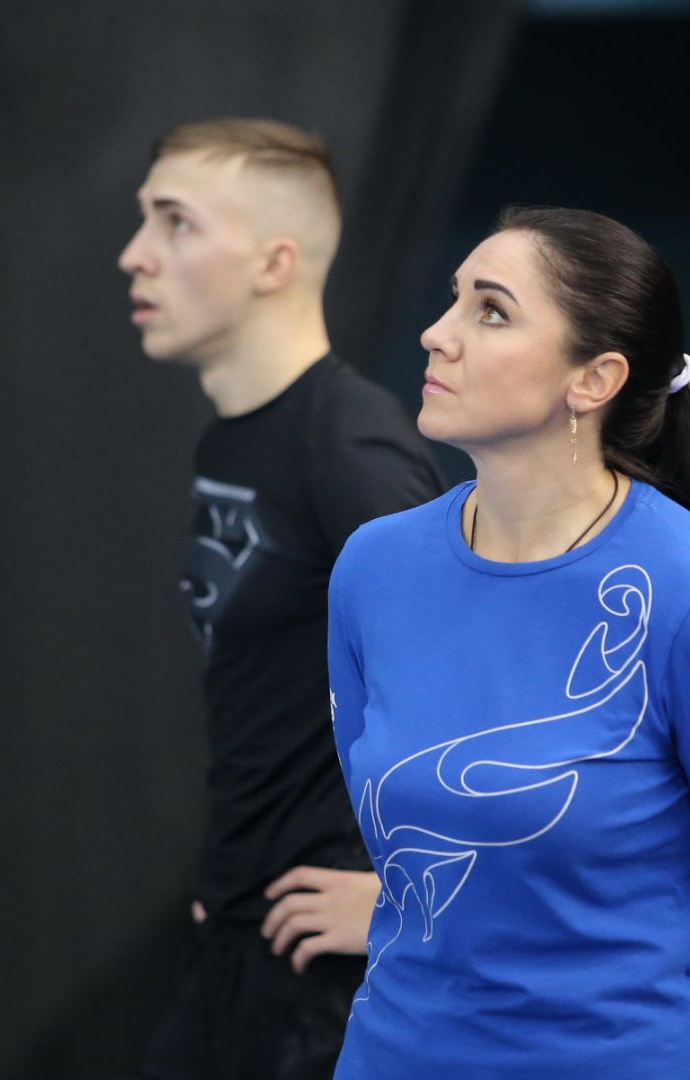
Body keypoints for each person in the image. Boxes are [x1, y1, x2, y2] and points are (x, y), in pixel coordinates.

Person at [325, 207, 690, 1078]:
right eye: (453, 300)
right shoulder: (371, 570)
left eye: (489, 311)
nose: (436, 333)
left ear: (594, 379)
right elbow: (397, 843)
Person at [117, 117, 442, 1080]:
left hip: (326, 989)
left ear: (274, 263)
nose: (134, 256)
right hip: (238, 943)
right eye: (143, 219)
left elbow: (495, 687)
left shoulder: (350, 450)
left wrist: (401, 900)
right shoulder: (233, 441)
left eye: (174, 223)